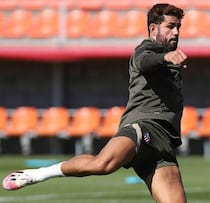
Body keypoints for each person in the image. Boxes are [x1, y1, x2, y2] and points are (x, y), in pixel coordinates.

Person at [2, 3, 188, 203]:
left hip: (164, 145)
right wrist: (165, 57)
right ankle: (38, 174)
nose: (176, 32)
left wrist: (168, 59)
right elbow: (144, 61)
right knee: (102, 165)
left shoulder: (171, 60)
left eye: (178, 27)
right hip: (144, 128)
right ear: (153, 29)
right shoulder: (147, 50)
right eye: (170, 26)